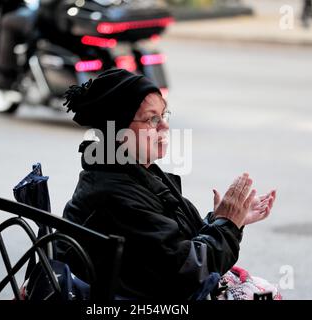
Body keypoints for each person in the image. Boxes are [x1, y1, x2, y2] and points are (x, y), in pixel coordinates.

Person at [60, 69, 277, 299]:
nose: (164, 127)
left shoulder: (137, 174)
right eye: (152, 119)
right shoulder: (115, 193)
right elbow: (190, 272)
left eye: (165, 115)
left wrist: (229, 219)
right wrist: (227, 224)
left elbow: (173, 244)